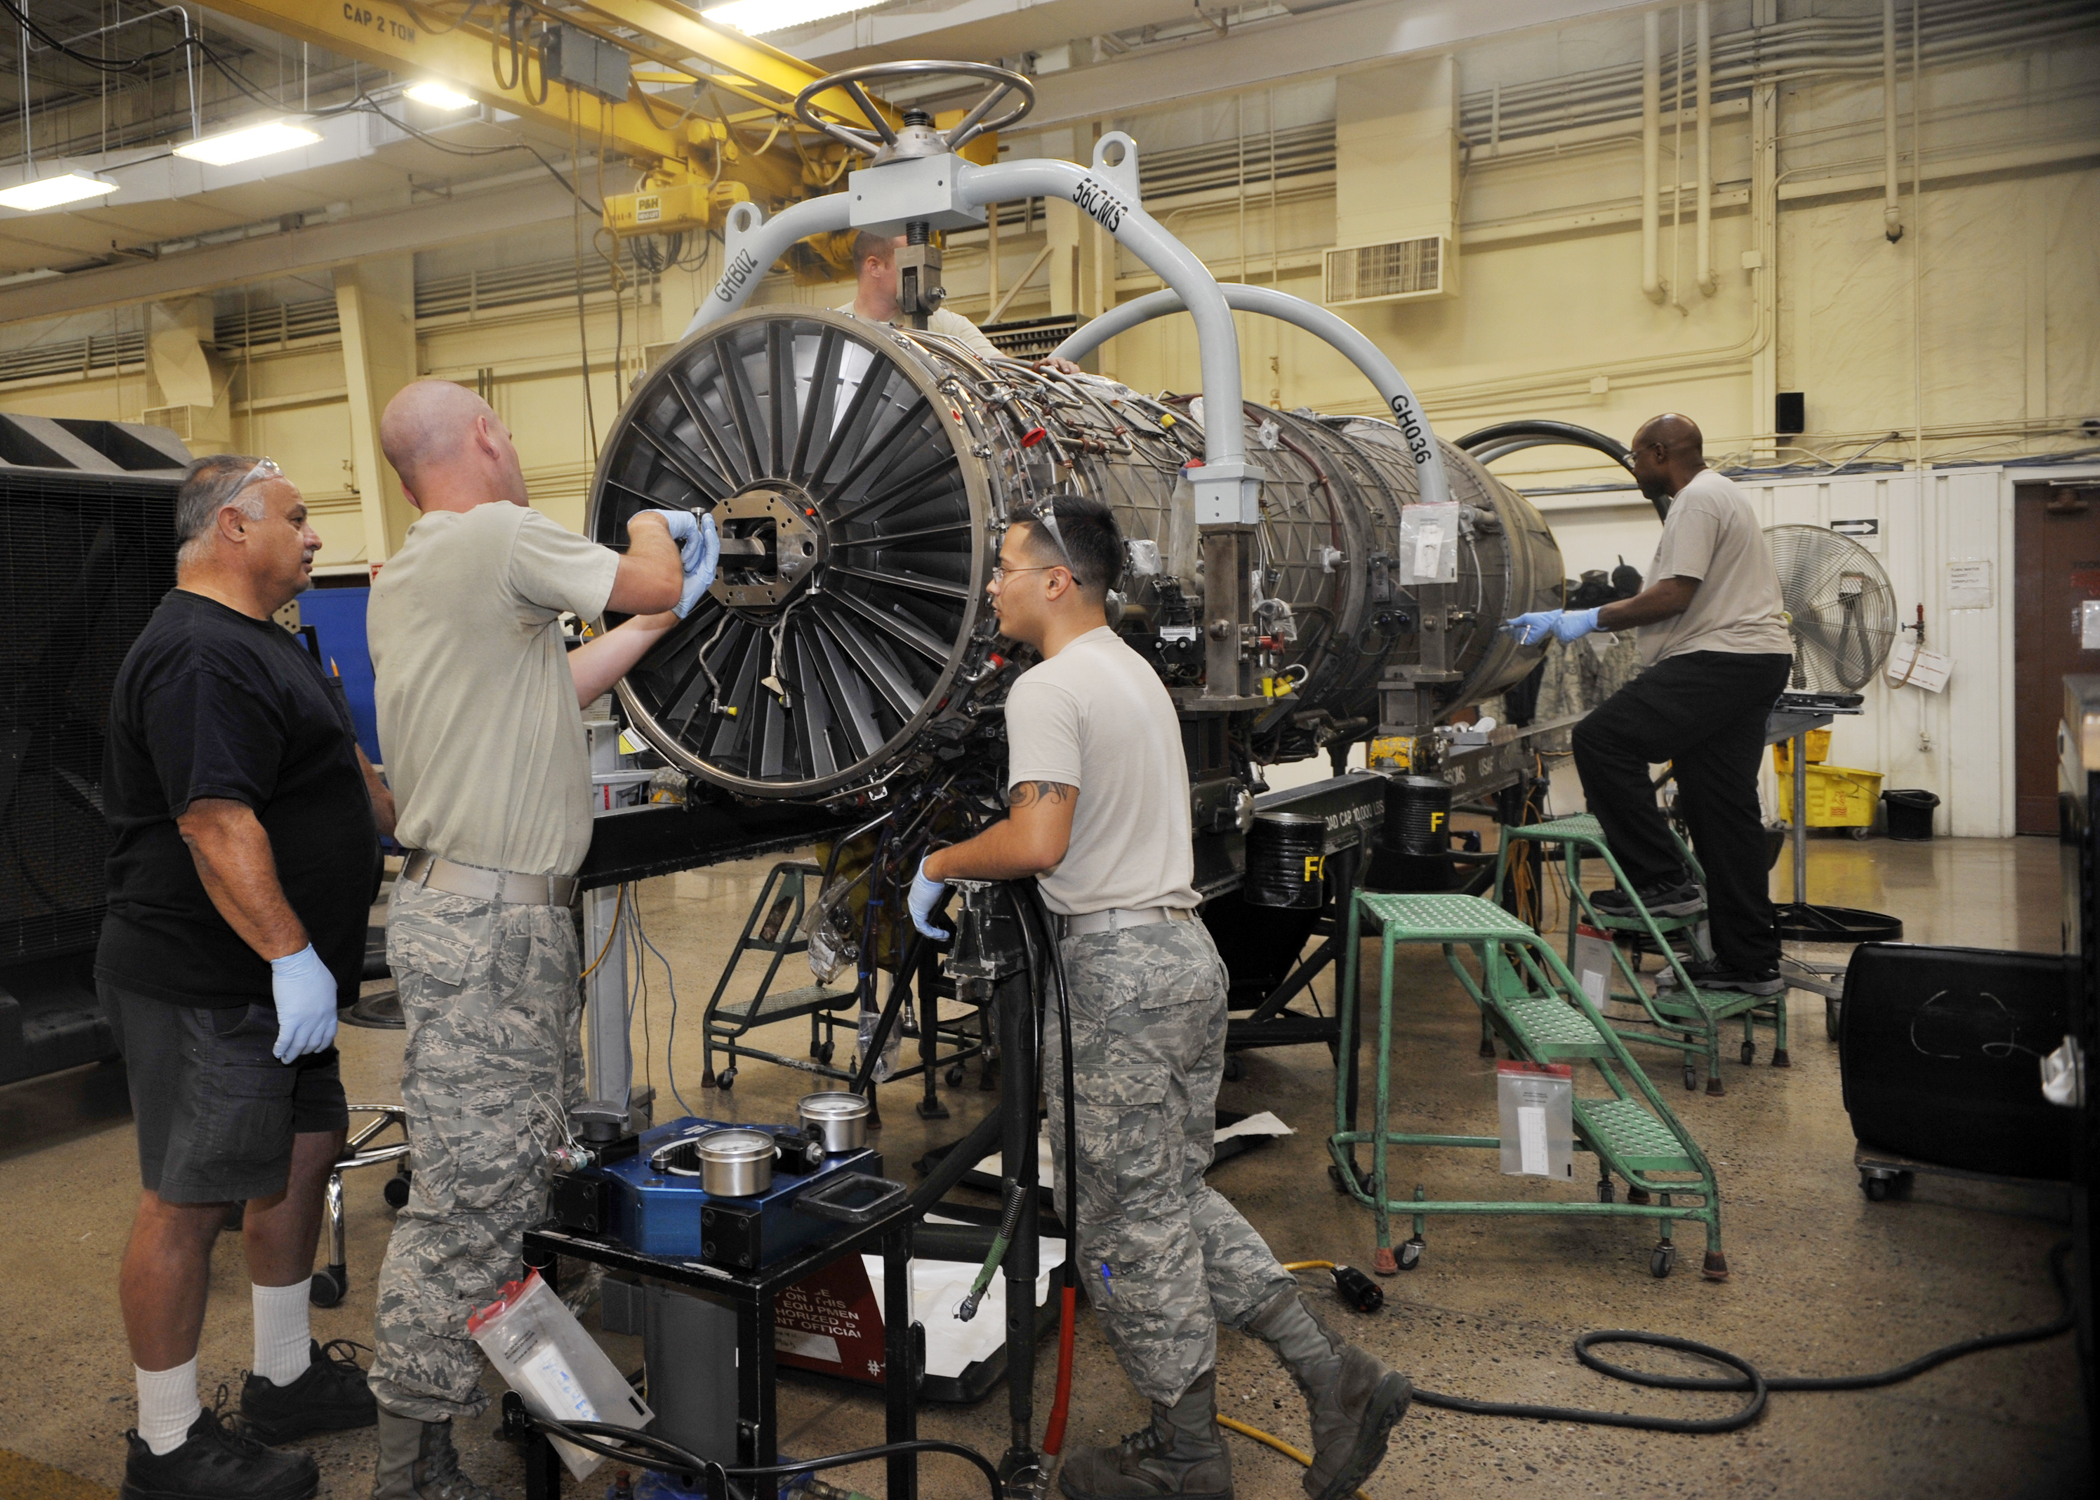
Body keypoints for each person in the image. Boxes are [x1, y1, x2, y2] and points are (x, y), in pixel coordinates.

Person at [908, 497, 1409, 1500]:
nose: (992, 583)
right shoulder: (1132, 672)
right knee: (1171, 1198)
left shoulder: (1049, 689)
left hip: (1117, 979)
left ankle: (1187, 1458)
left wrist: (941, 862)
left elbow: (1038, 842)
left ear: (1057, 581)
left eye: (1006, 565)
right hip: (1182, 958)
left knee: (1124, 1225)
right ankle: (1333, 1376)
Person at [362, 380, 714, 1500]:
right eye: (507, 431)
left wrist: (651, 627)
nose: (516, 450)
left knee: (505, 1184)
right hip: (488, 932)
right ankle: (407, 1468)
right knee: (466, 1208)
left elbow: (548, 689)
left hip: (481, 923)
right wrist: (661, 523)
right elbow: (649, 564)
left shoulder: (418, 568)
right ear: (483, 439)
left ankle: (437, 1432)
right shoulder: (499, 536)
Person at [99, 453, 394, 1500]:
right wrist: (289, 955)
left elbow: (339, 779)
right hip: (207, 975)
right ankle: (167, 1446)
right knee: (189, 1198)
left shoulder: (259, 641)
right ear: (232, 527)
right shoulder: (196, 654)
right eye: (298, 517)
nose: (315, 536)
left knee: (307, 1149)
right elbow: (213, 822)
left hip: (274, 979)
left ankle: (282, 1375)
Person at [1506, 413, 1795, 994]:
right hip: (1754, 660)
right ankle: (1748, 961)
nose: (1634, 468)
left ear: (1660, 453)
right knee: (1722, 812)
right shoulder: (1723, 496)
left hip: (1719, 659)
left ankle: (1661, 879)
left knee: (1601, 739)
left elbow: (1672, 595)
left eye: (1637, 458)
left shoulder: (1697, 499)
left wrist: (1582, 618)